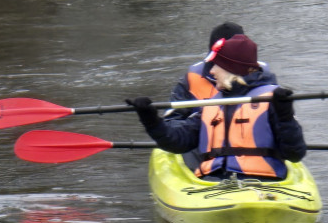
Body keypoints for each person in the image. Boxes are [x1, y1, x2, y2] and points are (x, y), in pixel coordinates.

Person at [128, 31, 306, 180]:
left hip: (263, 181)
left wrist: (285, 116)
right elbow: (177, 143)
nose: (211, 71)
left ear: (232, 70)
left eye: (216, 66)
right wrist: (150, 119)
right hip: (214, 182)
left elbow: (294, 153)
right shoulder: (212, 105)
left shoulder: (272, 101)